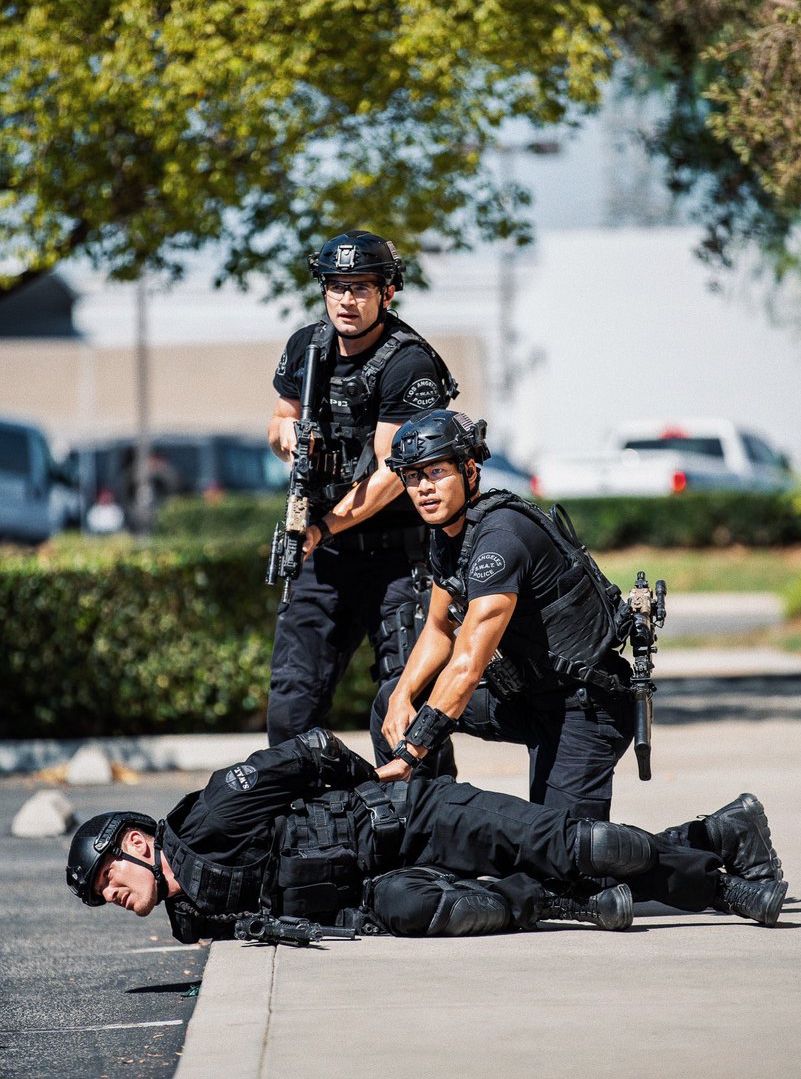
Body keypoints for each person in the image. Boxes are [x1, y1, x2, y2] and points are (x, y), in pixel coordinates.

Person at [65, 730, 787, 943]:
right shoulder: (192, 916)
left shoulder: (216, 811)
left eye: (108, 882)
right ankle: (720, 833)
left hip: (411, 813)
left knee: (592, 849)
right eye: (104, 897)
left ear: (134, 845)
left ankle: (722, 882)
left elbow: (310, 748)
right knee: (429, 910)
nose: (116, 897)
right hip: (376, 885)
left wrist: (367, 778)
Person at [372, 410, 640, 817]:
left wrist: (412, 751)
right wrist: (402, 696)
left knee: (565, 858)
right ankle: (423, 826)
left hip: (584, 707)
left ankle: (721, 840)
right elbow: (441, 628)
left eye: (437, 471)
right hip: (526, 697)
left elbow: (466, 666)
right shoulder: (448, 535)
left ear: (469, 470)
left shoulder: (500, 538)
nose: (424, 488)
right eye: (412, 476)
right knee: (392, 700)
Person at [266, 230, 459, 753]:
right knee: (290, 707)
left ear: (387, 293)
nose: (347, 300)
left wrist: (322, 527)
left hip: (396, 561)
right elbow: (279, 420)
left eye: (361, 288)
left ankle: (420, 823)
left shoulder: (408, 363)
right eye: (336, 287)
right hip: (322, 555)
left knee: (402, 709)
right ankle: (303, 827)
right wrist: (289, 439)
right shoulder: (305, 347)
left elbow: (393, 473)